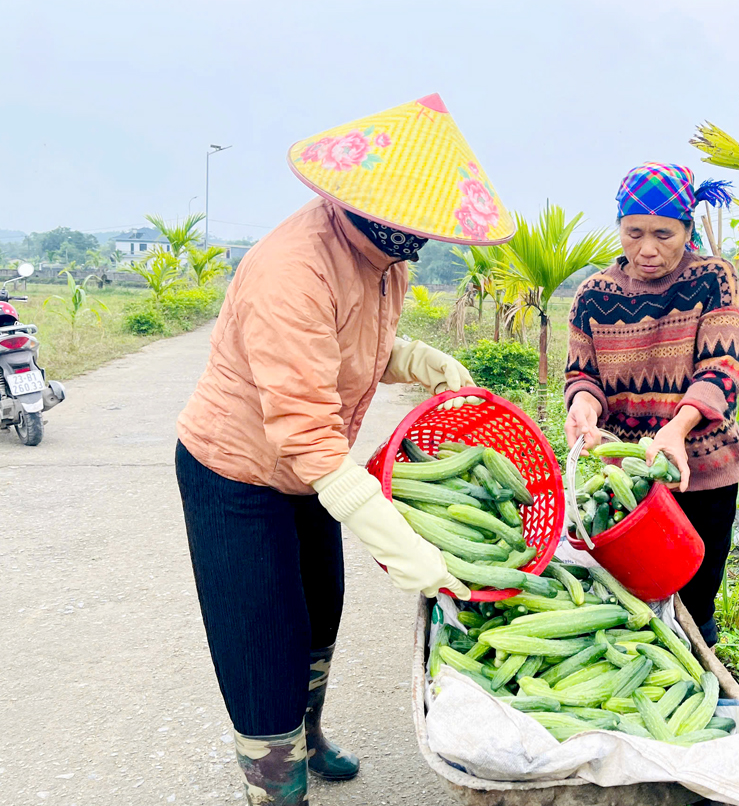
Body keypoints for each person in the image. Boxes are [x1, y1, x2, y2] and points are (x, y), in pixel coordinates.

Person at [174, 94, 515, 805]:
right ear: (362, 203)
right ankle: (276, 785)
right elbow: (303, 425)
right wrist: (395, 539)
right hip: (236, 474)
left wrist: (413, 357)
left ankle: (310, 736)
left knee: (319, 612)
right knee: (264, 639)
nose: (422, 240)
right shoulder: (291, 271)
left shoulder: (386, 257)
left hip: (307, 472)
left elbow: (352, 345)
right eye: (411, 226)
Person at [563, 162, 739, 647]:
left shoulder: (714, 279)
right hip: (628, 479)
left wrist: (677, 429)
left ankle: (702, 672)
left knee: (694, 600)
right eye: (634, 232)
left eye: (663, 234)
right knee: (630, 597)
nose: (647, 249)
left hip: (702, 475)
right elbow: (582, 375)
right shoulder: (592, 295)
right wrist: (582, 405)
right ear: (620, 228)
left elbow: (722, 368)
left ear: (687, 229)